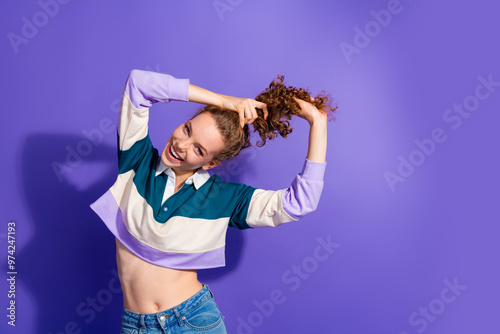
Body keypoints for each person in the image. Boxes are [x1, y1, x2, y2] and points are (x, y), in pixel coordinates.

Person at [90, 68, 336, 333]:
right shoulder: (136, 161)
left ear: (213, 163)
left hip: (193, 322)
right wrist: (225, 101)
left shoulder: (226, 199)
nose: (181, 145)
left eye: (199, 149)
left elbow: (301, 203)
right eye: (187, 130)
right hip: (135, 325)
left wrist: (317, 122)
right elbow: (139, 84)